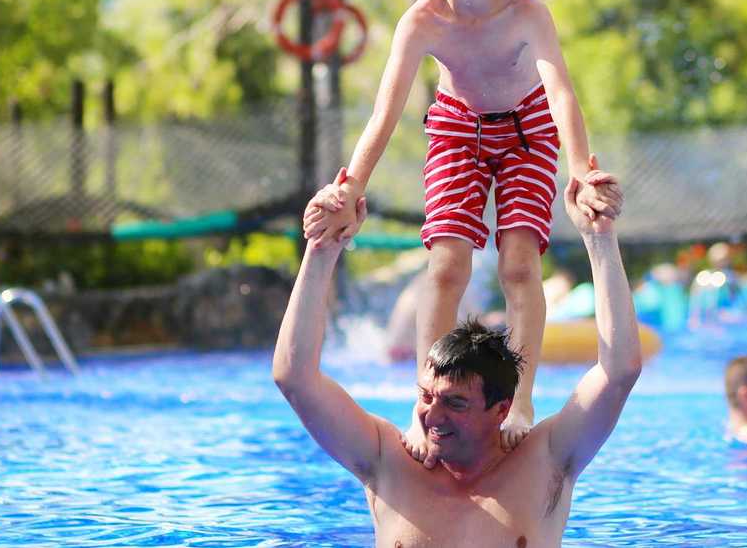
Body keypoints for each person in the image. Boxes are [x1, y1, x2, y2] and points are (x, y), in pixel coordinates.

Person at [303, 0, 620, 459]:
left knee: (520, 264)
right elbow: (387, 110)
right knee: (447, 264)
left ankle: (517, 399)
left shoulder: (527, 12)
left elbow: (562, 93)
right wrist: (349, 187)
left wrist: (580, 170)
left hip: (529, 129)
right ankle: (429, 400)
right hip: (456, 128)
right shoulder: (422, 19)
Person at [275, 173, 643, 546]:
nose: (432, 417)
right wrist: (322, 249)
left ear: (501, 410)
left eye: (455, 403)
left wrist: (600, 239)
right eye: (426, 397)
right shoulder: (388, 460)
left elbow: (619, 372)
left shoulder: (544, 460)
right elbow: (295, 378)